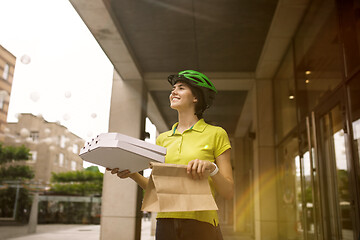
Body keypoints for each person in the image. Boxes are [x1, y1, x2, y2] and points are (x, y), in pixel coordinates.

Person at [107, 70, 234, 240]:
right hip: (165, 224)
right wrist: (132, 174)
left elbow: (229, 192)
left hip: (202, 224)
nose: (173, 92)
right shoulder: (163, 139)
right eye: (173, 88)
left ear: (196, 97)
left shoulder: (216, 134)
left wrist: (212, 169)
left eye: (181, 88)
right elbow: (158, 189)